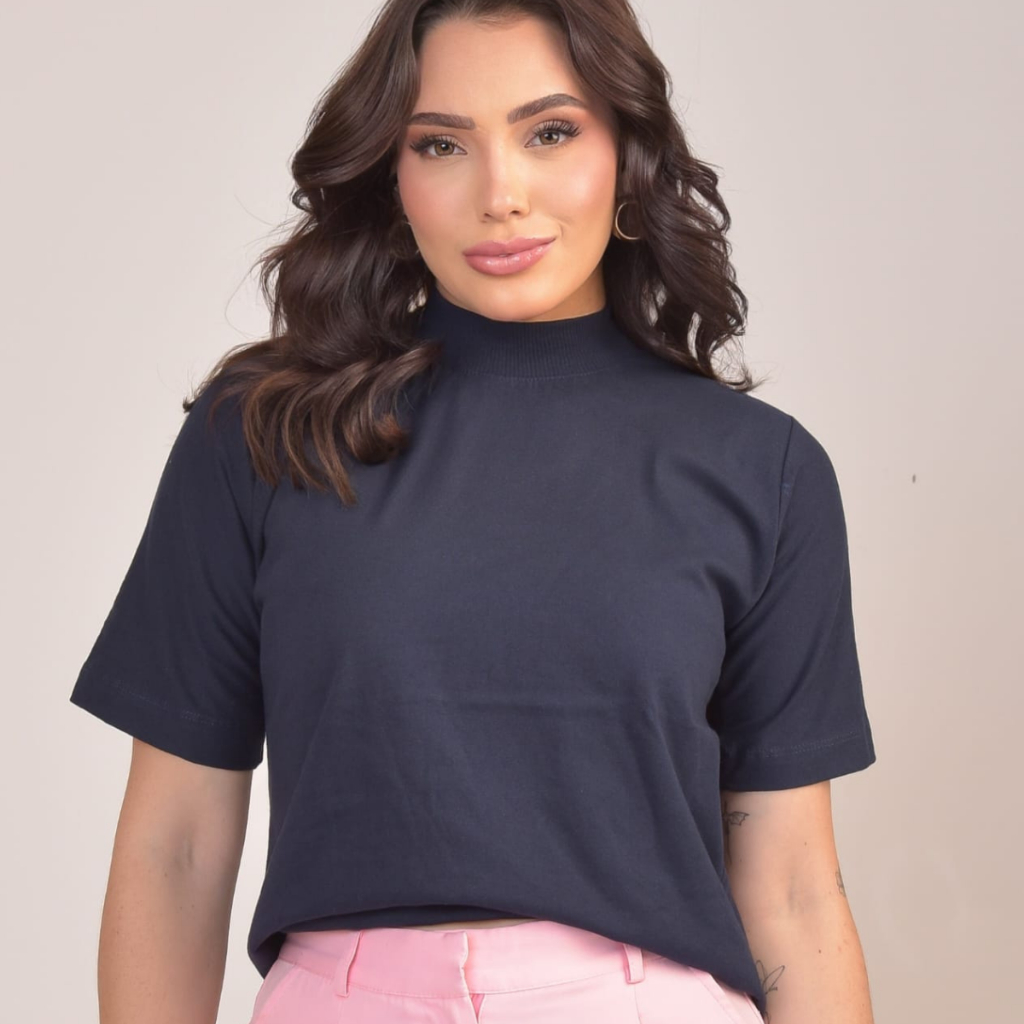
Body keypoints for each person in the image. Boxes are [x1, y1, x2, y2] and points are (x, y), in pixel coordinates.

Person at [69, 1, 878, 1022]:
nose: (500, 195)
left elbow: (795, 887)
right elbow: (174, 843)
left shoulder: (761, 469)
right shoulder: (266, 432)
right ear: (392, 177)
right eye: (442, 144)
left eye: (550, 132)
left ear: (627, 157)